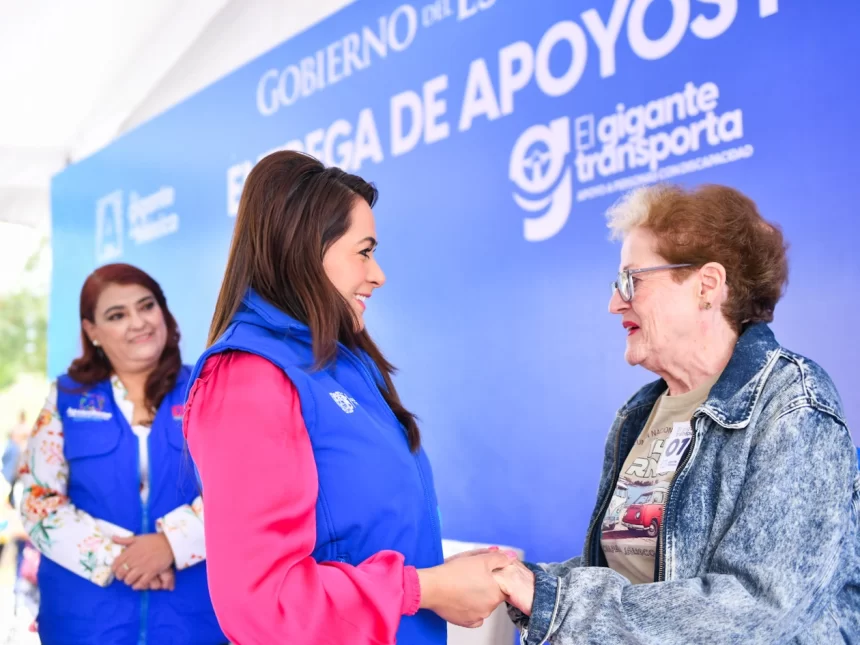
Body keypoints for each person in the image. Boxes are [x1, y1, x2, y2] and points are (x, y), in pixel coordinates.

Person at [496, 184, 860, 643]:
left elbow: (759, 608)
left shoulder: (794, 406)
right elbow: (636, 579)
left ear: (706, 286)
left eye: (633, 280)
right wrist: (520, 579)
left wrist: (554, 602)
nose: (614, 303)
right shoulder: (637, 414)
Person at [184, 151, 514, 645]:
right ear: (304, 250)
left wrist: (439, 577)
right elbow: (263, 603)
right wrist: (423, 587)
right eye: (364, 251)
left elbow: (350, 547)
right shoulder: (250, 377)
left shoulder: (338, 362)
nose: (378, 274)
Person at [19, 263, 226, 645]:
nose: (138, 323)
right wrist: (118, 558)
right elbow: (34, 499)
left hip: (196, 621)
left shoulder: (211, 390)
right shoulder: (64, 398)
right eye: (117, 315)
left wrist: (172, 544)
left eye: (146, 306)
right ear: (92, 331)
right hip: (85, 623)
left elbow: (246, 488)